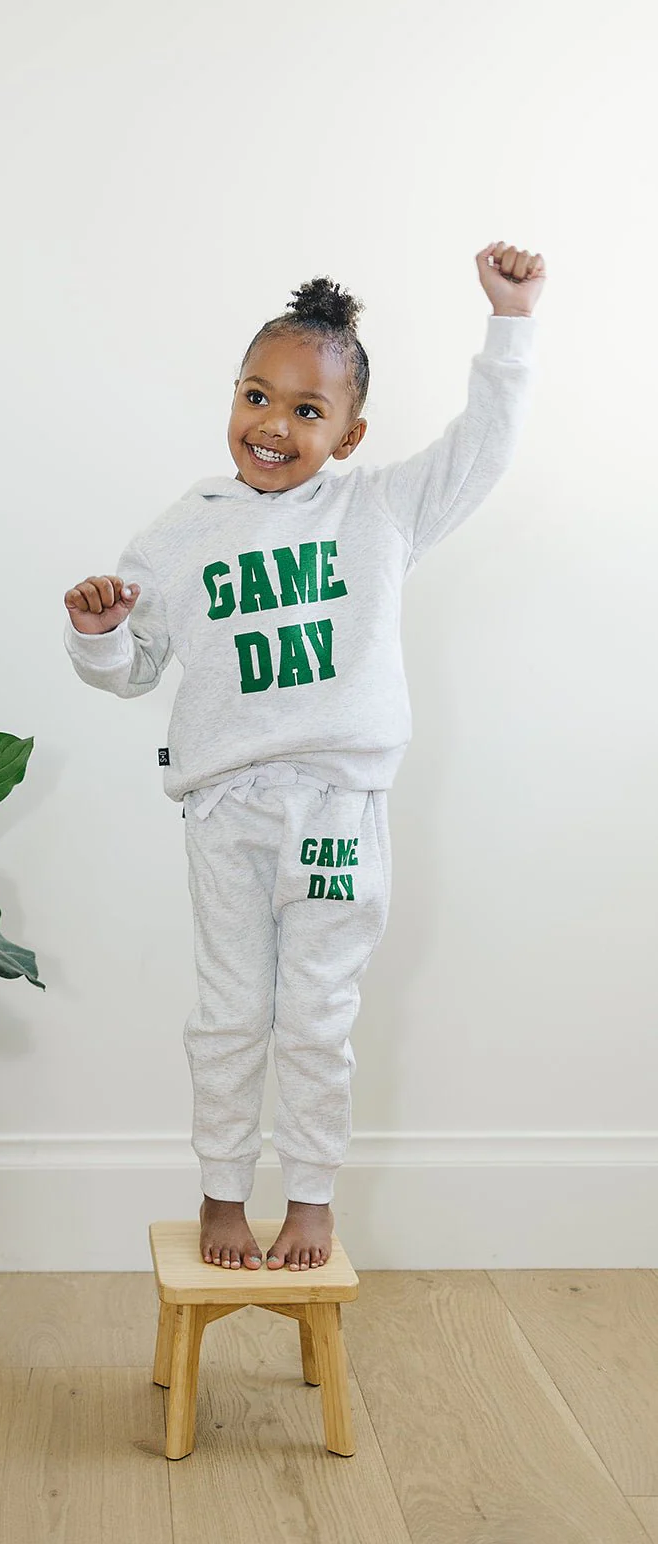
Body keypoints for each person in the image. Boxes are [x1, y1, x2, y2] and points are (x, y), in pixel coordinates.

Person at [63, 242, 544, 1272]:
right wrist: (97, 633)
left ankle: (313, 1198)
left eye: (306, 410)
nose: (272, 425)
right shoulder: (176, 535)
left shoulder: (378, 510)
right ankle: (222, 1194)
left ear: (348, 434)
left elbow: (482, 450)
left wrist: (508, 322)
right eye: (255, 396)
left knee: (317, 1016)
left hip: (335, 809)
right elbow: (130, 669)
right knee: (229, 1014)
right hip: (224, 812)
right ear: (232, 396)